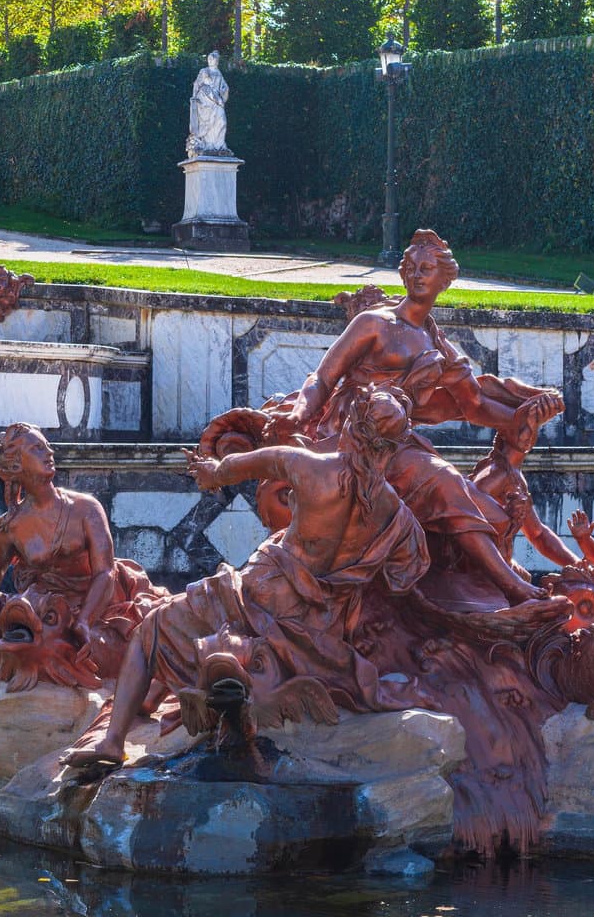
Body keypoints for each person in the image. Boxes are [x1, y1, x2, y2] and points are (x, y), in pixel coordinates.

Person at [66, 387, 433, 767]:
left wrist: (207, 472)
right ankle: (192, 692)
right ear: (393, 446)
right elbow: (403, 578)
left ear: (351, 427)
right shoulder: (398, 517)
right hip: (319, 629)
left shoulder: (306, 467)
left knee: (151, 629)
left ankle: (112, 742)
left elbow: (226, 471)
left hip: (260, 596)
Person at [287, 230, 554, 604]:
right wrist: (300, 413)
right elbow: (323, 376)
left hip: (397, 440)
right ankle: (512, 586)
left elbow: (475, 403)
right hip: (355, 433)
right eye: (411, 267)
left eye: (427, 268)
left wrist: (523, 417)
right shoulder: (373, 323)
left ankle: (470, 590)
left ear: (444, 280)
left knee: (485, 505)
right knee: (443, 479)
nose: (417, 275)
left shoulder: (437, 345)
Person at [0, 423, 161, 681]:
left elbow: (105, 572)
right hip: (48, 610)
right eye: (37, 448)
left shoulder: (86, 508)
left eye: (47, 446)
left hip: (100, 603)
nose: (49, 452)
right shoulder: (11, 526)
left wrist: (84, 620)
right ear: (16, 465)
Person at [186, 51, 230, 157]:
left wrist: (225, 90)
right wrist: (204, 83)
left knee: (222, 120)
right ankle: (207, 145)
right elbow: (197, 85)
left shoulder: (218, 73)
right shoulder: (204, 71)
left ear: (217, 61)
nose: (210, 61)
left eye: (213, 59)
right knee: (207, 123)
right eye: (209, 59)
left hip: (217, 102)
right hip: (205, 102)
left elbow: (223, 87)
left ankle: (218, 145)